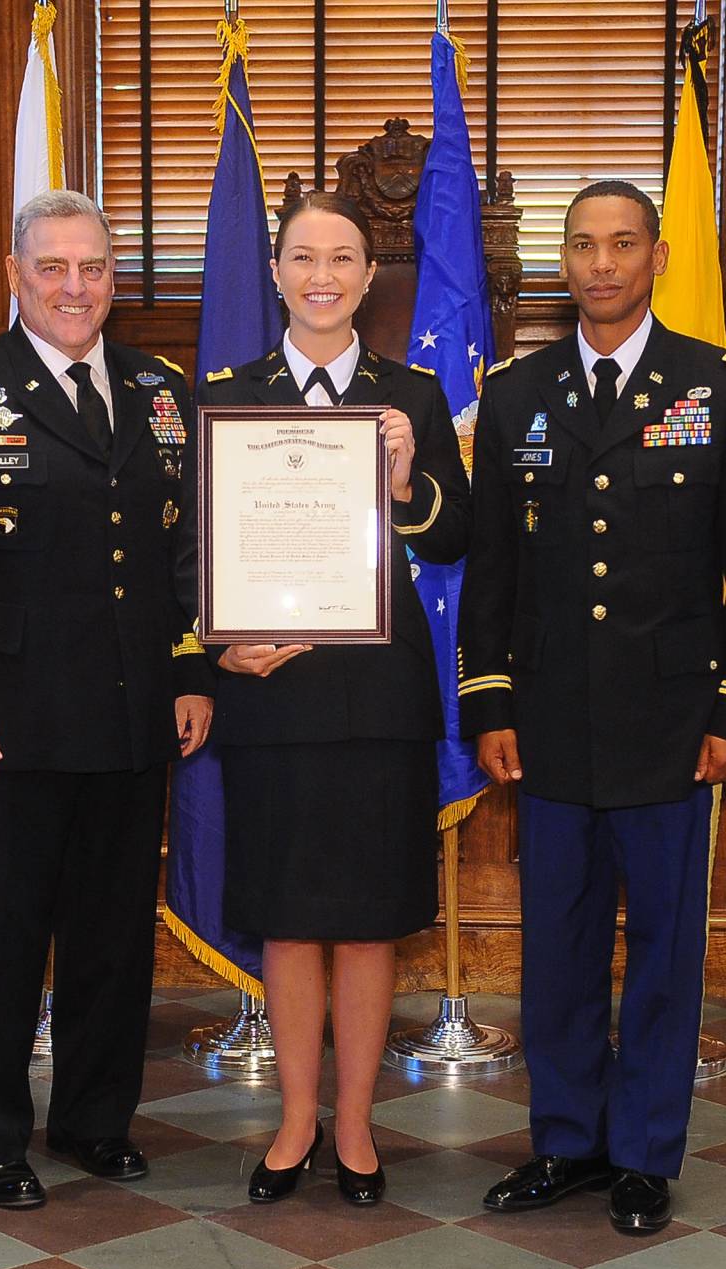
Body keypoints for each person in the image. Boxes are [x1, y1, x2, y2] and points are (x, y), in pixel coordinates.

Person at [459, 180, 726, 1234]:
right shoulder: (518, 394)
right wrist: (489, 701)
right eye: (583, 246)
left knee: (660, 947)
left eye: (622, 244)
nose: (601, 264)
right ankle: (566, 1142)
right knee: (553, 944)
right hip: (549, 721)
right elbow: (493, 571)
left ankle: (644, 1152)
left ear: (658, 256)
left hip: (672, 725)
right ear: (563, 261)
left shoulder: (721, 388)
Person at [0, 189, 214, 1210]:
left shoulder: (161, 391)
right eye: (55, 267)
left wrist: (191, 668)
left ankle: (94, 1119)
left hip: (130, 710)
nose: (77, 287)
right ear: (16, 273)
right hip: (7, 721)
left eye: (95, 268)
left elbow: (182, 552)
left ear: (116, 279)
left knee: (113, 936)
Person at [201, 192, 471, 1206]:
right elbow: (196, 548)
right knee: (286, 916)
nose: (324, 274)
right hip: (272, 697)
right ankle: (295, 1118)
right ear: (275, 270)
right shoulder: (228, 391)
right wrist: (221, 649)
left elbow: (449, 538)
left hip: (377, 699)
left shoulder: (414, 393)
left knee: (365, 919)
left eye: (345, 257)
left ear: (369, 275)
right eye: (305, 256)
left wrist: (405, 478)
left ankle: (355, 1125)